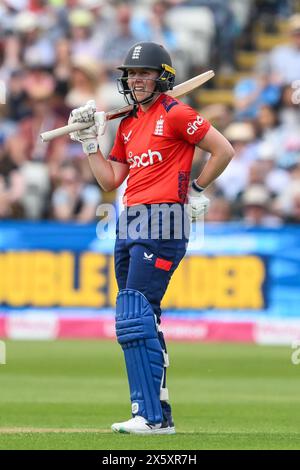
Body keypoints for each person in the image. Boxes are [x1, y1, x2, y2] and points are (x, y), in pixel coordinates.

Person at [67, 42, 234, 435]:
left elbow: (223, 150)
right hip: (129, 218)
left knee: (137, 313)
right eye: (132, 74)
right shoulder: (127, 124)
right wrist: (92, 143)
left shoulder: (177, 114)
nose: (137, 79)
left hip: (165, 219)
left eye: (144, 73)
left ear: (162, 77)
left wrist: (195, 188)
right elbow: (110, 180)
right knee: (136, 317)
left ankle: (150, 417)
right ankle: (156, 412)